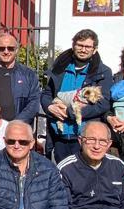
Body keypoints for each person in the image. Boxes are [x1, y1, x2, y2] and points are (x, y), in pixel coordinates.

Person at [40, 29, 112, 163]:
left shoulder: (103, 72)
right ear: (73, 46)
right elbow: (47, 93)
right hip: (59, 135)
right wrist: (49, 107)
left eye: (88, 47)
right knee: (62, 171)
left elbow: (103, 104)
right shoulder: (59, 68)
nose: (83, 50)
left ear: (94, 50)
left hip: (85, 137)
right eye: (80, 45)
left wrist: (70, 112)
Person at [0, 34, 41, 122]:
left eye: (10, 48)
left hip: (19, 127)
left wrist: (16, 124)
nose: (6, 52)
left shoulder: (28, 75)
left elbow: (34, 103)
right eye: (2, 48)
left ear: (16, 50)